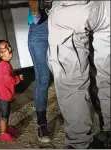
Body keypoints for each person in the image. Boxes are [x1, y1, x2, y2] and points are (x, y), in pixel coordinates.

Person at [47, 1, 110, 149]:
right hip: (107, 7)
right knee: (107, 72)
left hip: (71, 8)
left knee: (71, 82)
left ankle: (79, 143)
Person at [28, 0, 52, 143]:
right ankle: (41, 124)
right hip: (40, 29)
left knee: (65, 75)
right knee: (43, 79)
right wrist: (36, 14)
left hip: (62, 23)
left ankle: (73, 120)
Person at [0, 40, 24, 142]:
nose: (10, 48)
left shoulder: (3, 64)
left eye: (9, 45)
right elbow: (9, 80)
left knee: (7, 112)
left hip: (2, 92)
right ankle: (3, 133)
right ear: (0, 54)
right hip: (3, 94)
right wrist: (18, 78)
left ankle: (6, 128)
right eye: (6, 47)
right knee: (5, 114)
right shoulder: (4, 66)